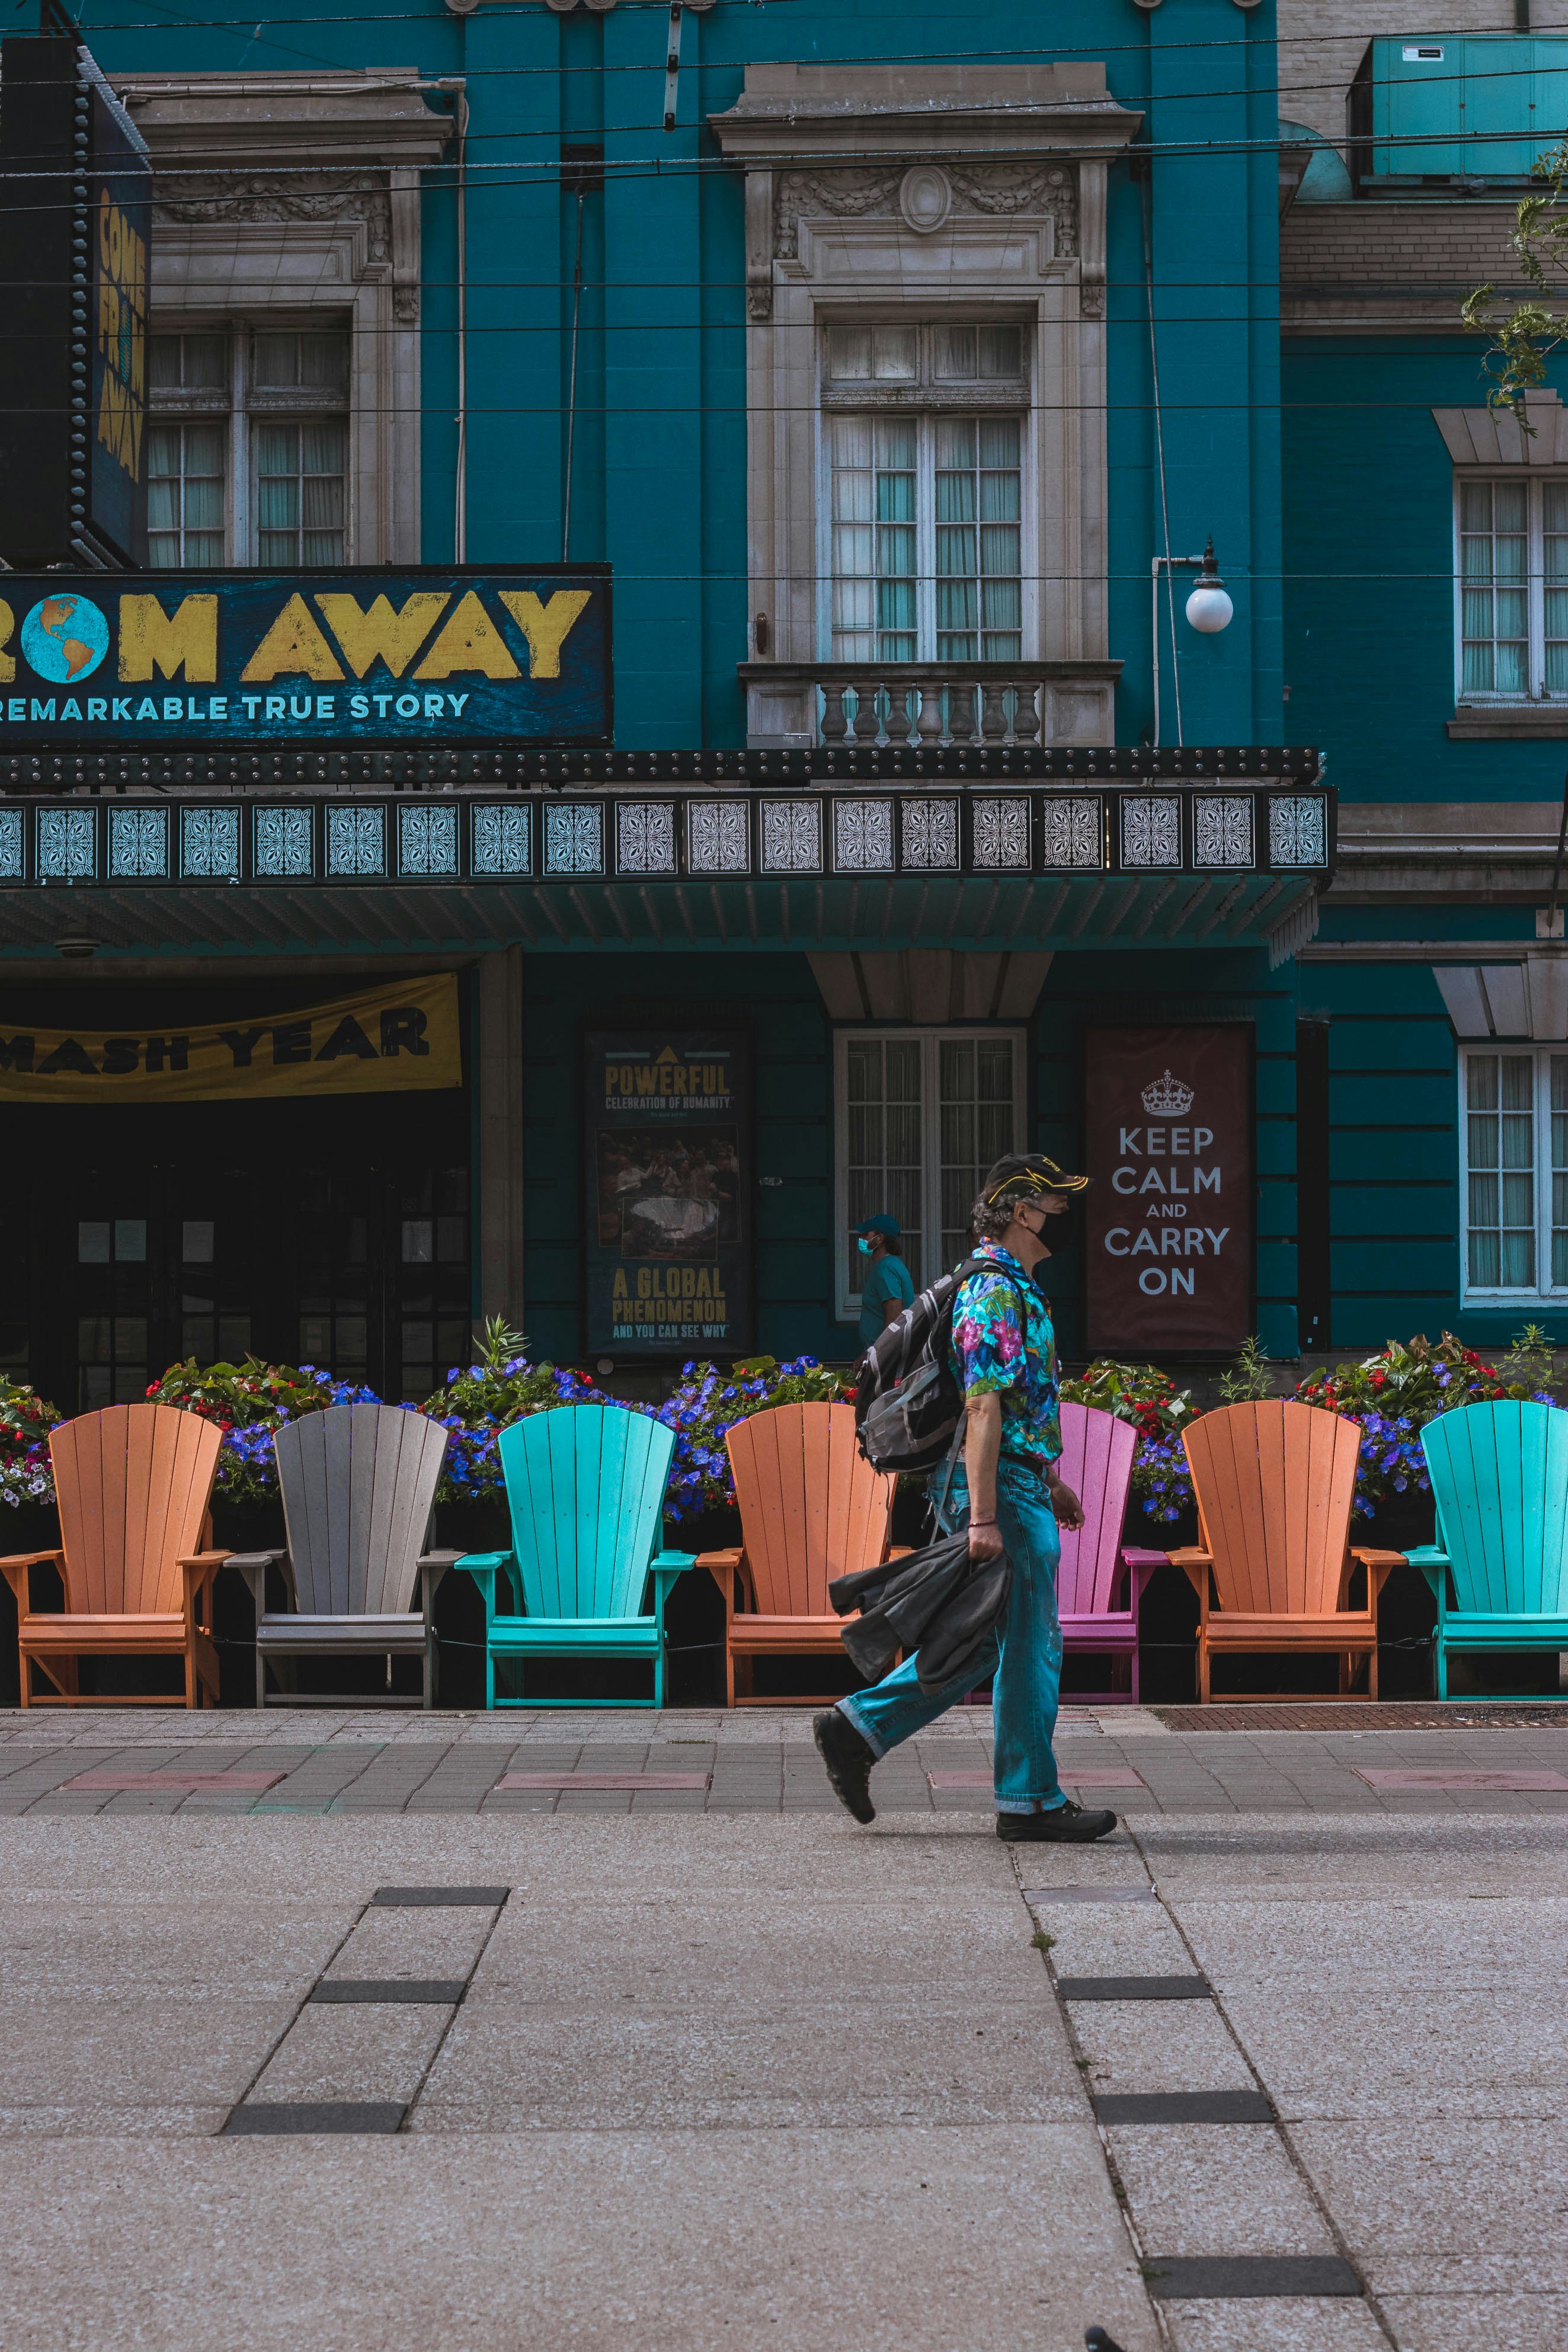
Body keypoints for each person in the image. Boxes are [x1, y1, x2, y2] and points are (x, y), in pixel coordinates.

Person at [817, 1152, 1118, 1845]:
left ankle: (859, 1729)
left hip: (1016, 1479)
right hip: (997, 1489)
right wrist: (985, 1516)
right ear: (1020, 1212)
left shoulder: (1014, 1287)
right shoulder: (993, 1294)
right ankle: (1028, 1800)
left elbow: (1013, 1410)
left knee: (990, 1639)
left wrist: (1049, 1478)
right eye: (1057, 1204)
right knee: (1030, 1643)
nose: (1068, 1216)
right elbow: (981, 1408)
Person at [855, 1213, 916, 1349]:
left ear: (879, 1239)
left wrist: (877, 1353)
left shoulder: (887, 1269)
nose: (861, 1239)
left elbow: (894, 1318)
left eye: (866, 1234)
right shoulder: (886, 1266)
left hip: (884, 1355)